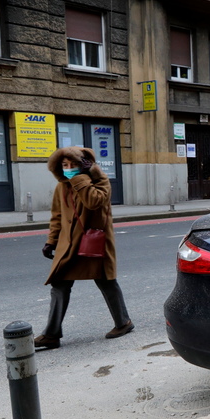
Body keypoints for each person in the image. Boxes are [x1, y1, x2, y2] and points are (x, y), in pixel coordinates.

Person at [34, 146, 133, 350]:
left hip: (93, 242)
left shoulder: (100, 182)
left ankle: (123, 323)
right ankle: (51, 335)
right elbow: (57, 216)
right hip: (68, 244)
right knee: (59, 284)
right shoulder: (62, 187)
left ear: (85, 165)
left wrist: (83, 177)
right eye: (65, 165)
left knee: (106, 281)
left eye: (74, 165)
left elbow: (94, 202)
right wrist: (51, 241)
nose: (69, 169)